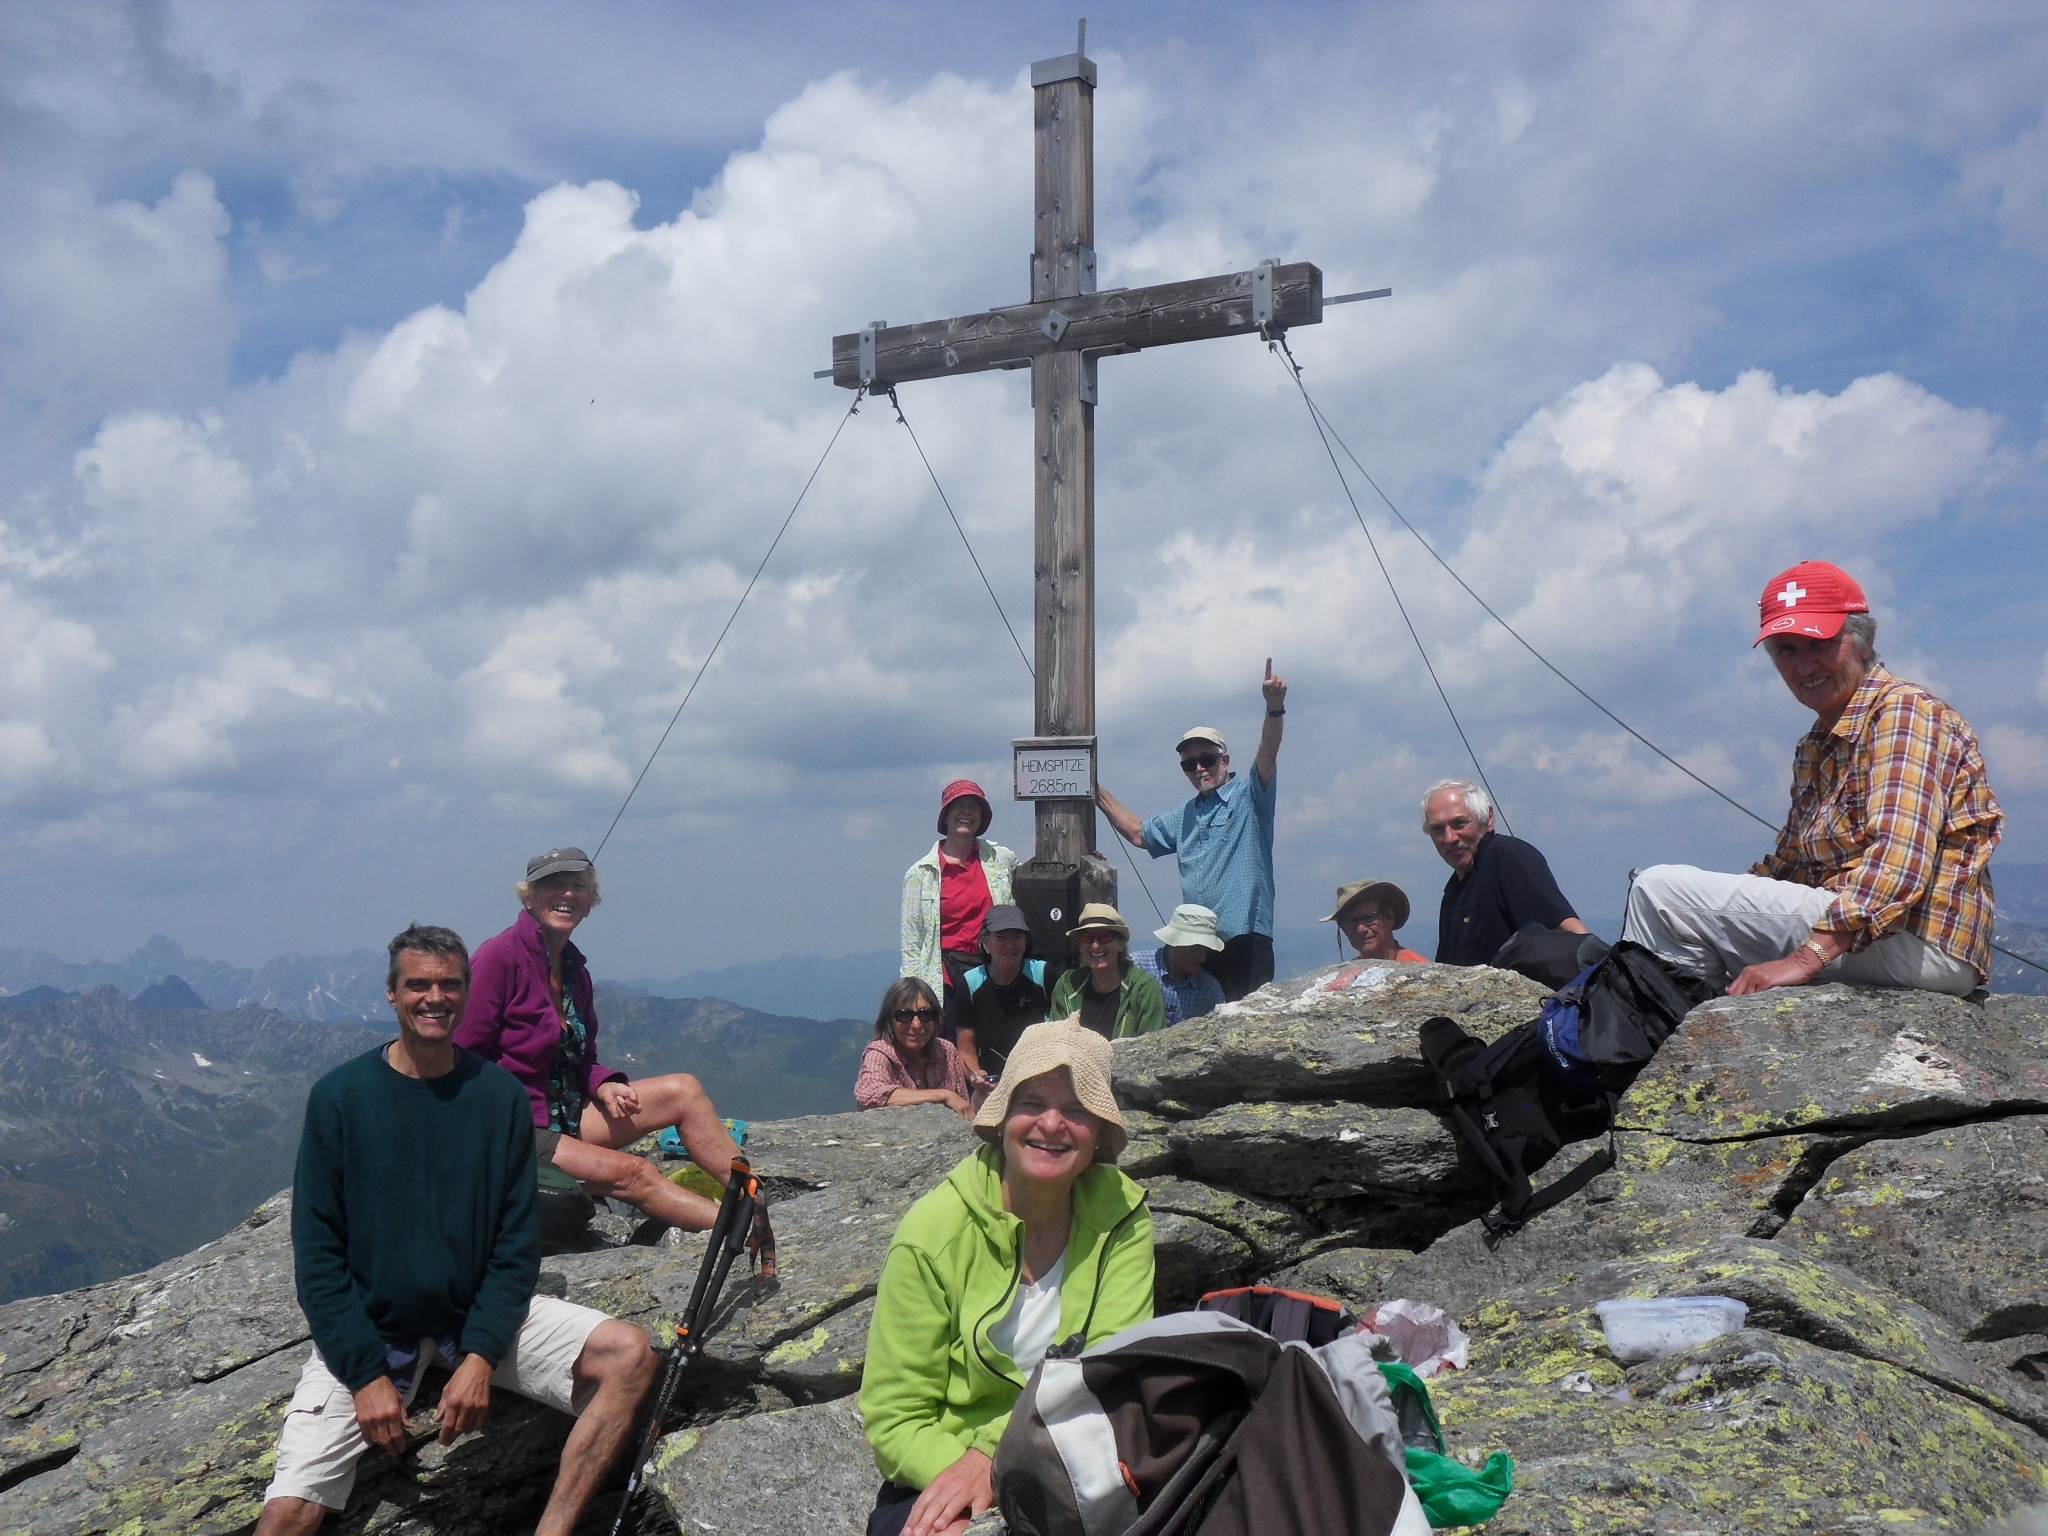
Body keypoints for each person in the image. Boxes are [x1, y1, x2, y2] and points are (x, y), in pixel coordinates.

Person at [254, 925, 656, 1536]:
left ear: (467, 993)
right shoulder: (340, 1099)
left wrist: (479, 1356)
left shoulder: (493, 1098)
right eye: (417, 985)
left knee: (632, 1355)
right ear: (391, 994)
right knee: (289, 1516)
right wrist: (364, 1375)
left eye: (449, 985)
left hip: (471, 1315)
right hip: (376, 1325)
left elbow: (514, 1243)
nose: (433, 998)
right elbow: (318, 1254)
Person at [1625, 561, 2001, 997]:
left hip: (1918, 940)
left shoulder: (1903, 712)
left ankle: (1645, 1040)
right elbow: (1789, 866)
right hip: (1874, 936)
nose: (1804, 665)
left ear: (1864, 642)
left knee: (1660, 894)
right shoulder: (1817, 743)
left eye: (1818, 642)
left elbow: (1898, 863)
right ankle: (1688, 1032)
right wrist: (1721, 901)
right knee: (1677, 902)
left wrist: (1804, 961)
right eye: (1786, 649)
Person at [860, 1019, 1155, 1536]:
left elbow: (1112, 1368)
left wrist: (995, 1455)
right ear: (1002, 1118)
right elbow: (896, 1416)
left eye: (1078, 1109)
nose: (1052, 1124)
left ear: (1099, 1134)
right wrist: (985, 1480)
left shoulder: (1122, 1215)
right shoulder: (933, 1233)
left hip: (1079, 1456)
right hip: (946, 1466)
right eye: (1032, 1102)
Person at [456, 847, 769, 1250]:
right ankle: (750, 1234)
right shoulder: (498, 958)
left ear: (590, 903)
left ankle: (756, 1202)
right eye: (554, 884)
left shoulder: (573, 971)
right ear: (529, 896)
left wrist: (602, 1083)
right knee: (635, 1174)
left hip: (564, 1116)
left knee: (685, 1090)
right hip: (513, 1128)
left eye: (579, 887)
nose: (567, 894)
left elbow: (581, 1059)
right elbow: (459, 1056)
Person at [1097, 661, 1287, 1000]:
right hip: (1197, 944)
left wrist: (1274, 708)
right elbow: (1139, 834)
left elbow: (1268, 753)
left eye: (1207, 760)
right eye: (1189, 763)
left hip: (1245, 939)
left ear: (1225, 761)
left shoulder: (1249, 796)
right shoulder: (1184, 814)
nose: (1199, 768)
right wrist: (1094, 791)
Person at [1424, 779, 1590, 966]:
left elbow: (1570, 931)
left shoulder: (1506, 856)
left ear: (1489, 819)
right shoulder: (1455, 889)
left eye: (1459, 823)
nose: (1449, 838)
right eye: (1437, 829)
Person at [901, 779, 1020, 1003]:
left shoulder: (1000, 859)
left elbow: (1034, 879)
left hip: (995, 971)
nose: (967, 812)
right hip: (945, 979)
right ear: (945, 815)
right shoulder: (921, 874)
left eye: (974, 806)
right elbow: (912, 943)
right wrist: (911, 997)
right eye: (959, 805)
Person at [945, 905, 1051, 1090]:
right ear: (985, 943)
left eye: (1017, 936)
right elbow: (965, 1050)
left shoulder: (1043, 975)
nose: (1010, 944)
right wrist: (976, 1076)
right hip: (991, 1088)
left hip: (1040, 1082)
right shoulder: (970, 983)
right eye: (1001, 936)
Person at [856, 977, 974, 1117]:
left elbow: (963, 1105)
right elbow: (868, 1095)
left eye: (925, 1014)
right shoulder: (880, 1053)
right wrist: (942, 1095)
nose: (916, 1025)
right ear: (890, 1021)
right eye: (905, 1015)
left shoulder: (946, 1051)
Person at [1048, 904, 1167, 1040]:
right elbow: (1055, 1042)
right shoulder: (1067, 985)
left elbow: (1151, 1047)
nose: (1095, 945)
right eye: (1088, 938)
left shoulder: (1144, 990)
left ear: (1121, 944)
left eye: (1104, 937)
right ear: (1080, 945)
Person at [1134, 902, 1228, 1026]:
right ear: (1174, 942)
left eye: (1206, 949)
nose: (1202, 958)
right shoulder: (1137, 968)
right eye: (1195, 948)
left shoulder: (1209, 989)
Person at [1323, 879, 1428, 964]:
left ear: (1390, 916)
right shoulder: (1345, 977)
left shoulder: (1420, 972)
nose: (1360, 929)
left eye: (1369, 918)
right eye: (1351, 922)